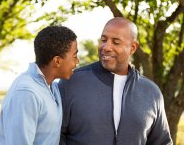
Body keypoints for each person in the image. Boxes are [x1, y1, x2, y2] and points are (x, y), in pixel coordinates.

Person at [59, 17, 173, 145]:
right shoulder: (72, 81)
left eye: (116, 42)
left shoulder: (151, 92)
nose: (106, 47)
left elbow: (162, 142)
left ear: (133, 48)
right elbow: (55, 134)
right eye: (104, 40)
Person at [0, 25, 79, 145]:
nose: (77, 61)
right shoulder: (26, 93)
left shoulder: (52, 87)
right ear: (57, 61)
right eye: (74, 56)